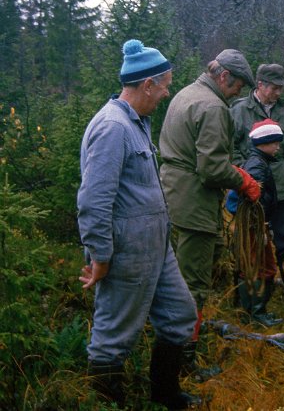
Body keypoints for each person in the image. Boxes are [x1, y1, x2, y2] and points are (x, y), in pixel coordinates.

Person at [77, 39, 200, 408]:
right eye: (164, 85)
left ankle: (164, 394)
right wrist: (101, 256)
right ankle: (105, 403)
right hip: (126, 251)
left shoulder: (137, 122)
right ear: (147, 84)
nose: (167, 93)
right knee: (113, 336)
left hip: (156, 248)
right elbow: (93, 201)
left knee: (180, 316)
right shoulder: (113, 127)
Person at [159, 48, 261, 372]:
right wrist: (243, 179)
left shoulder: (187, 93)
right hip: (194, 205)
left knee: (182, 276)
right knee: (193, 285)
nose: (238, 94)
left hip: (173, 196)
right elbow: (212, 169)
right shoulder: (214, 106)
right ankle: (183, 361)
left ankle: (177, 348)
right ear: (223, 77)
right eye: (237, 86)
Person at [230, 64, 284, 296]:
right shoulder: (239, 110)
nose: (278, 93)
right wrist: (244, 171)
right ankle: (251, 292)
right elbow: (231, 146)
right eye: (275, 88)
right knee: (252, 241)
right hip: (253, 188)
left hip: (280, 187)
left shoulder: (283, 112)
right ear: (260, 85)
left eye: (280, 88)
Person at [226, 119, 284, 327]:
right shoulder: (257, 165)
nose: (278, 146)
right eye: (275, 142)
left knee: (254, 265)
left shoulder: (257, 161)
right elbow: (253, 201)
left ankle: (250, 311)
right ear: (264, 142)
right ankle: (256, 314)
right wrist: (260, 227)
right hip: (253, 226)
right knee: (259, 266)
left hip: (253, 225)